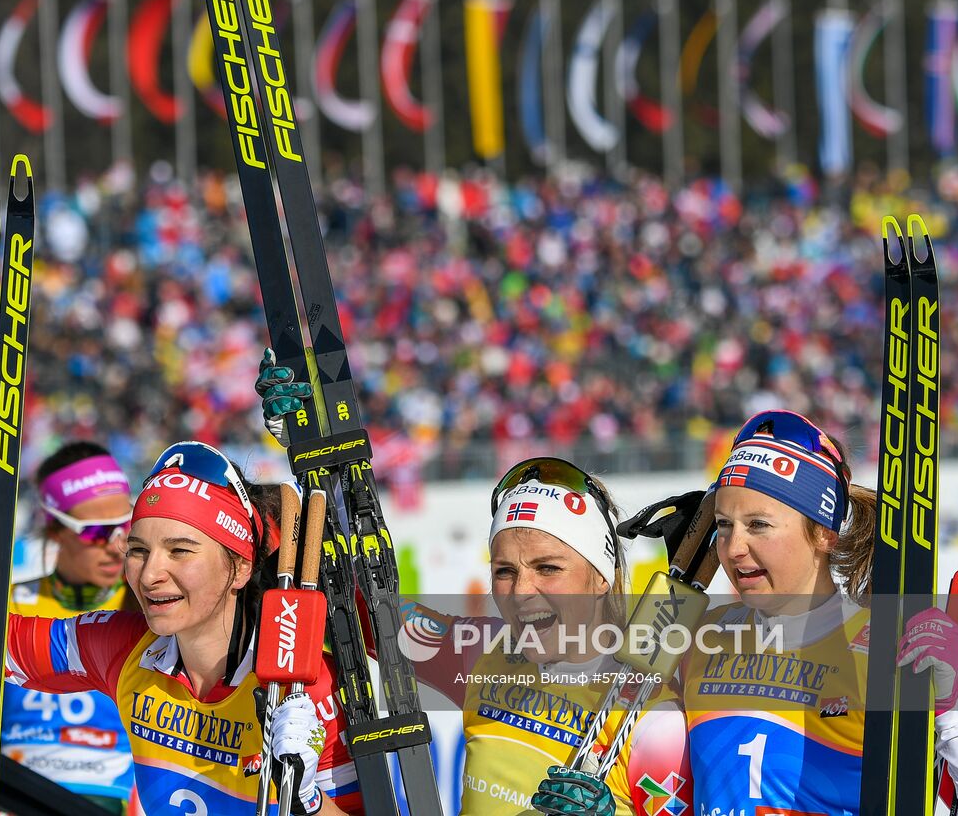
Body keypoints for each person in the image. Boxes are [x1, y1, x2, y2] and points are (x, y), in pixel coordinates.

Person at [258, 349, 689, 816]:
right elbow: (366, 613)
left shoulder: (652, 714)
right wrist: (313, 456)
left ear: (600, 578)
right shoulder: (480, 650)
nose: (522, 592)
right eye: (505, 571)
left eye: (548, 568)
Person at [0, 436, 362, 816]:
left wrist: (308, 800)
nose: (149, 574)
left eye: (180, 551)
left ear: (240, 566)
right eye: (138, 549)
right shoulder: (124, 646)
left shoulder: (306, 685)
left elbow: (418, 649)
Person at [680, 409, 958, 815]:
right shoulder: (698, 640)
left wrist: (950, 715)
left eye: (758, 525)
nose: (733, 547)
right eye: (724, 525)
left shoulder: (888, 648)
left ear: (824, 533)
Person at [0, 432, 139, 813]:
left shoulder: (144, 607)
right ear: (55, 528)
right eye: (95, 532)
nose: (116, 544)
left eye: (126, 526)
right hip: (13, 789)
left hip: (113, 794)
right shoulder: (5, 602)